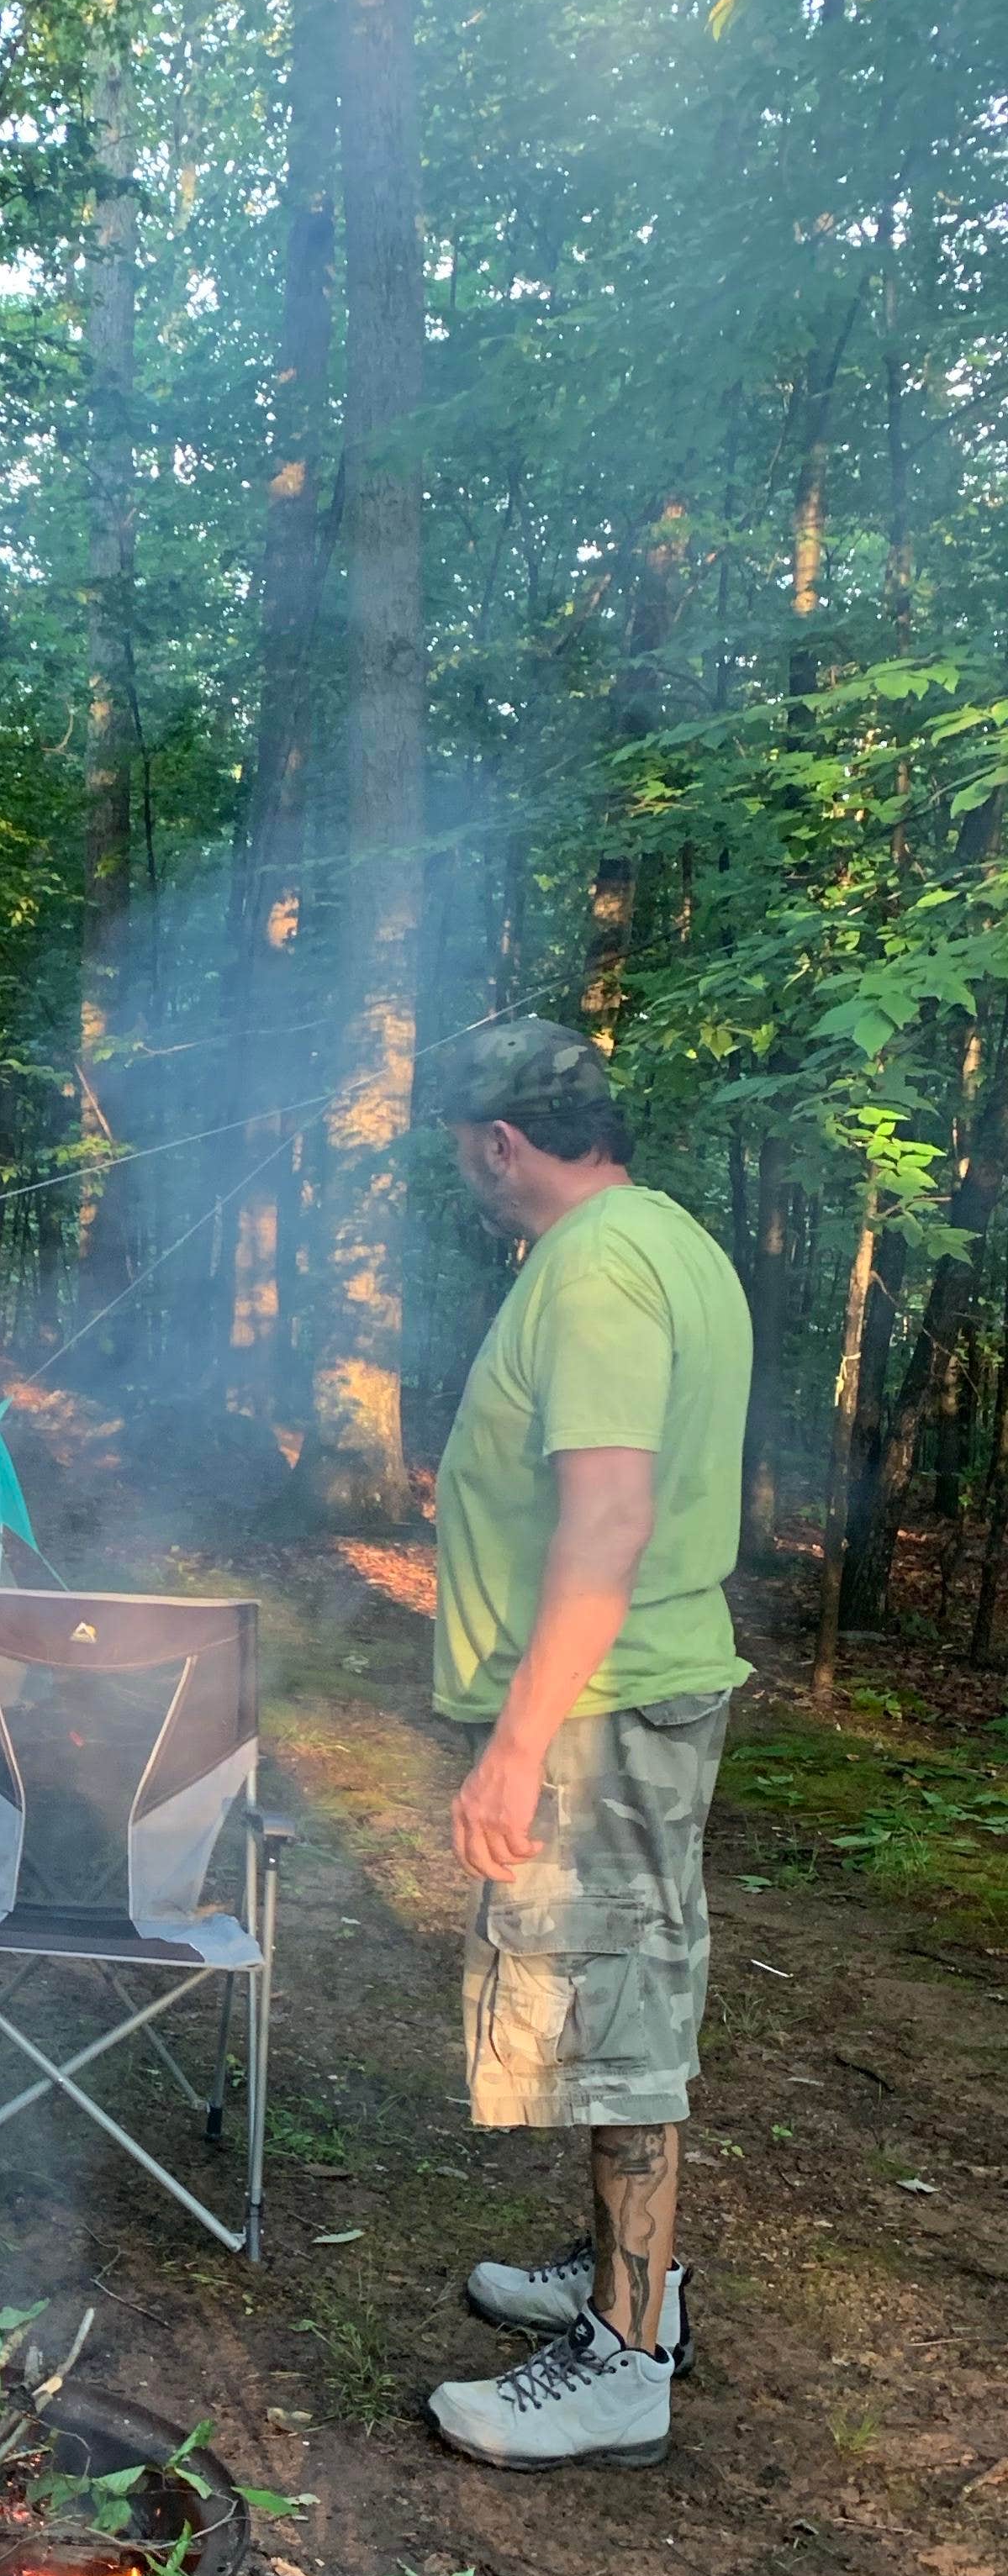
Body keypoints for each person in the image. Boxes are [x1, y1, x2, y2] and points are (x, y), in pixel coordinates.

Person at [417, 1019, 752, 2473]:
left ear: (500, 1142)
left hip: (602, 1711)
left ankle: (623, 2361)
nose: (463, 1173)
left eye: (460, 1150)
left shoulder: (599, 1268)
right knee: (606, 2005)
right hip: (620, 1698)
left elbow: (607, 1518)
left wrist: (515, 1743)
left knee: (622, 2031)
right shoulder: (657, 1236)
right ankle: (625, 2275)